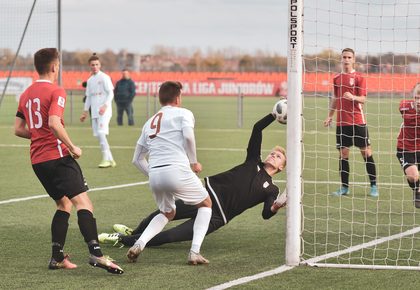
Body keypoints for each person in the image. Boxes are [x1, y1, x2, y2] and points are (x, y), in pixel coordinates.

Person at [98, 113, 287, 250]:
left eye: (278, 157)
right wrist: (273, 114)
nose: (273, 155)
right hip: (201, 195)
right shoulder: (253, 160)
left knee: (169, 236)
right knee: (161, 213)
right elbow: (257, 128)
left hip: (217, 217)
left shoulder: (272, 189)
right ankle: (133, 233)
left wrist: (277, 207)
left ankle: (122, 240)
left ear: (281, 168)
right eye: (273, 152)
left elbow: (266, 214)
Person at [14, 48, 123, 274]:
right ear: (54, 67)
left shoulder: (25, 94)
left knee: (63, 205)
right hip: (58, 157)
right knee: (84, 204)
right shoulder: (56, 90)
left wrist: (39, 134)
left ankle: (57, 258)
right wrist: (72, 146)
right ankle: (96, 254)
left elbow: (19, 129)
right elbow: (54, 122)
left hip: (38, 161)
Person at [125, 81, 213, 265]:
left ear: (160, 98)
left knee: (167, 213)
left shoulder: (149, 122)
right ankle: (194, 252)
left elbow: (136, 159)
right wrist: (194, 162)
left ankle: (140, 243)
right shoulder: (184, 113)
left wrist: (153, 174)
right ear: (178, 97)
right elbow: (188, 136)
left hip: (155, 174)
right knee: (205, 203)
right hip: (177, 169)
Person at [324, 48, 378, 197]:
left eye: (349, 57)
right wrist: (329, 116)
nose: (346, 59)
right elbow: (335, 98)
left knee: (366, 153)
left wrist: (353, 97)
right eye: (344, 57)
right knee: (343, 154)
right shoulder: (336, 78)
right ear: (341, 59)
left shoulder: (359, 77)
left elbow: (364, 99)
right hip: (342, 123)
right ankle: (344, 187)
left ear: (353, 60)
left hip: (358, 121)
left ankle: (373, 186)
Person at [80, 53, 116, 168]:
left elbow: (111, 93)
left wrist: (105, 106)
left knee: (101, 133)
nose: (94, 66)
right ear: (89, 66)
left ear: (100, 65)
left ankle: (105, 159)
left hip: (104, 111)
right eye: (92, 65)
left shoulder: (104, 77)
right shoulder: (90, 80)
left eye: (96, 64)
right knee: (99, 135)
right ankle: (111, 160)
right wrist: (85, 112)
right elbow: (88, 97)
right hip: (95, 112)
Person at [397, 83, 420, 208]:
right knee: (412, 176)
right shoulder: (404, 107)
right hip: (406, 147)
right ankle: (417, 190)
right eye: (416, 98)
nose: (419, 101)